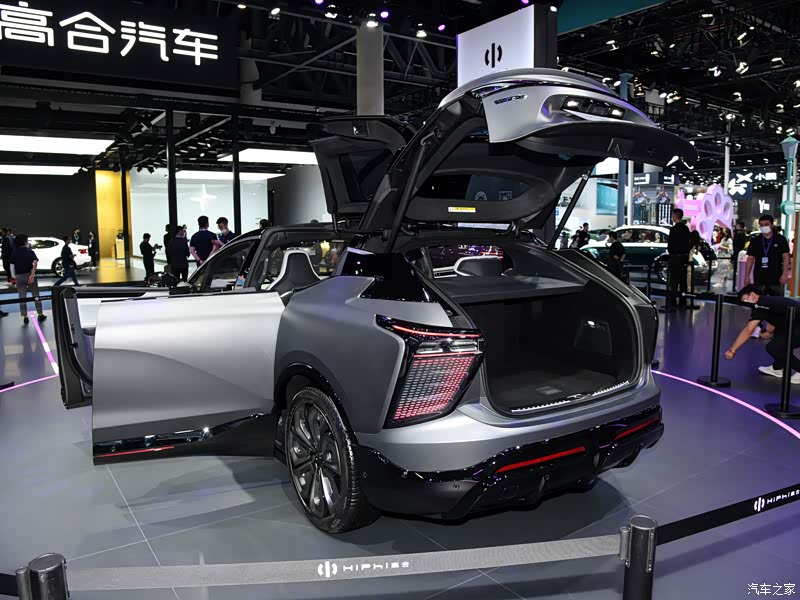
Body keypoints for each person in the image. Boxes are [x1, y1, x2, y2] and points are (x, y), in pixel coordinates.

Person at [725, 285, 800, 383]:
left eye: (745, 300)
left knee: (774, 347)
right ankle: (778, 368)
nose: (744, 304)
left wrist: (732, 350)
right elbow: (774, 320)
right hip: (792, 324)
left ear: (752, 295)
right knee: (779, 335)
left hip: (797, 326)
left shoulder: (759, 305)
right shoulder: (766, 301)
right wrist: (767, 331)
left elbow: (748, 331)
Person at [744, 214, 790, 297]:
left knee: (776, 300)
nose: (763, 227)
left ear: (772, 225)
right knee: (759, 299)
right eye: (761, 225)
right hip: (759, 276)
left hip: (776, 276)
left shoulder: (780, 239)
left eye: (766, 224)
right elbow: (750, 258)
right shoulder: (755, 240)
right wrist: (747, 276)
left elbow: (786, 257)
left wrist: (785, 273)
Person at [10, 234, 46, 324]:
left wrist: (13, 277)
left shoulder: (14, 253)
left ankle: (25, 316)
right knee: (35, 295)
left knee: (22, 297)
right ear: (25, 242)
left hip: (19, 276)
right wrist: (32, 275)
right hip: (29, 275)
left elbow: (12, 266)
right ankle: (40, 314)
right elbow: (35, 263)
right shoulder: (30, 252)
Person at [666, 208, 692, 309]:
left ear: (675, 216)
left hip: (675, 258)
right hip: (684, 258)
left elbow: (670, 245)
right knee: (683, 281)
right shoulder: (686, 229)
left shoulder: (673, 229)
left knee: (674, 281)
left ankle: (673, 301)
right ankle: (683, 301)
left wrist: (672, 253)